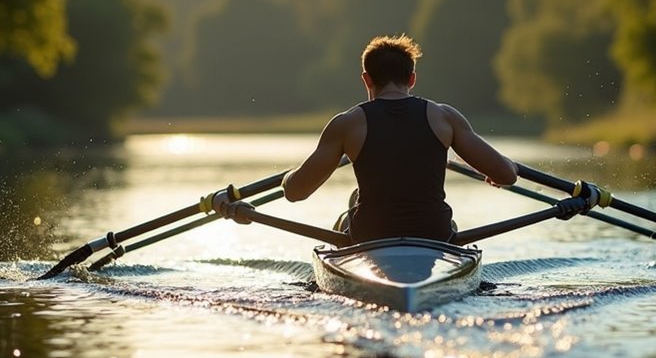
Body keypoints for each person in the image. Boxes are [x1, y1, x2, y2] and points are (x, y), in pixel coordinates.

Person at [214, 34, 518, 243]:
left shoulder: (348, 125)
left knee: (352, 204)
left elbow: (294, 192)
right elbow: (507, 175)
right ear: (412, 79)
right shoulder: (445, 118)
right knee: (448, 223)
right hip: (434, 235)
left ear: (366, 79)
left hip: (370, 236)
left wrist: (289, 176)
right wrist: (502, 168)